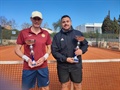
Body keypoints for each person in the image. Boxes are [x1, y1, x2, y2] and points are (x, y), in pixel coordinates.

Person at [14, 11, 52, 90]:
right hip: (28, 67)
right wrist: (27, 59)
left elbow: (49, 48)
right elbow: (17, 49)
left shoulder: (46, 33)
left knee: (45, 88)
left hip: (43, 66)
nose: (36, 21)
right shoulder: (23, 33)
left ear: (42, 20)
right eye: (35, 18)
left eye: (39, 19)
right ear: (31, 19)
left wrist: (44, 58)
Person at [51, 15, 88, 90]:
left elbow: (85, 44)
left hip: (76, 66)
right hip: (63, 66)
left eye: (67, 21)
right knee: (64, 85)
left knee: (77, 85)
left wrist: (82, 50)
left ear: (70, 22)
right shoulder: (57, 36)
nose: (66, 23)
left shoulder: (78, 33)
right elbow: (54, 52)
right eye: (63, 22)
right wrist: (65, 59)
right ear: (61, 24)